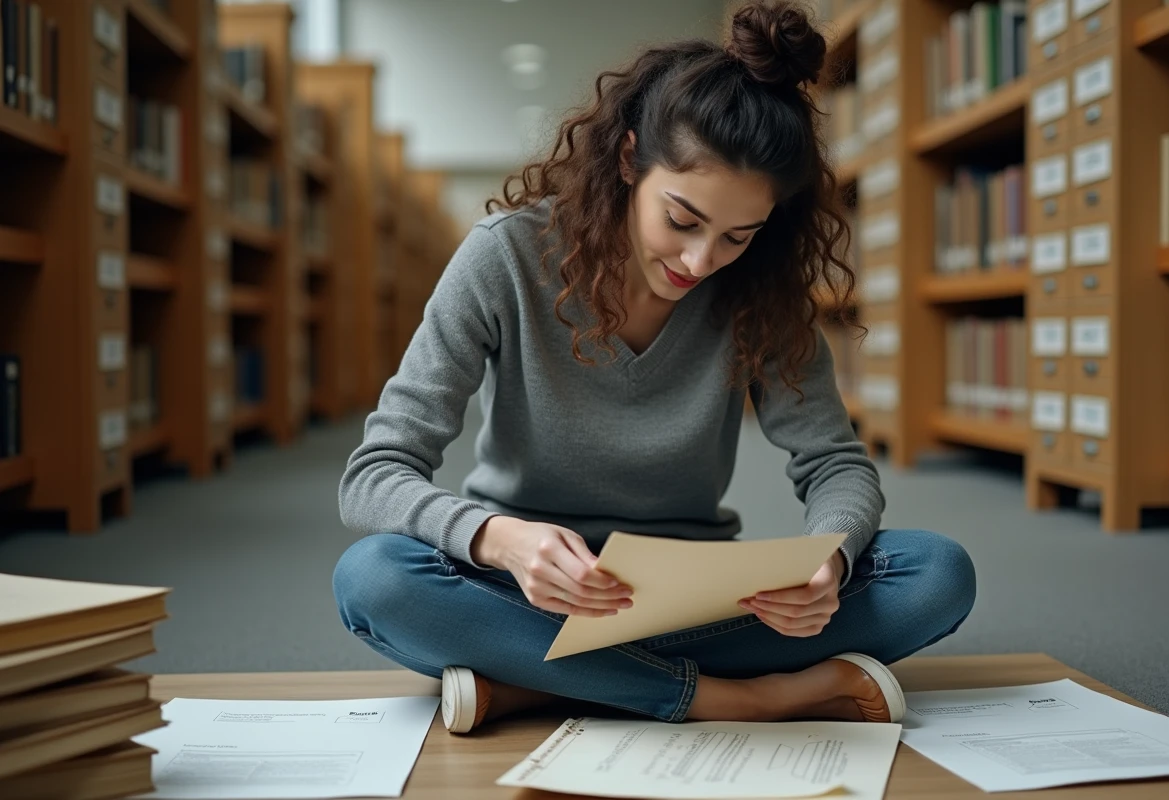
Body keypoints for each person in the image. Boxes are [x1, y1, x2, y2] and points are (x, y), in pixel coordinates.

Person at [333, 0, 976, 735]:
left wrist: (827, 555)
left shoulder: (760, 289)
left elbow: (836, 464)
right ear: (629, 158)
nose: (701, 262)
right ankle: (735, 697)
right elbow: (374, 475)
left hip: (693, 601)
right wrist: (499, 539)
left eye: (739, 234)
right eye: (683, 219)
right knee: (374, 578)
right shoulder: (505, 257)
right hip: (522, 589)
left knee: (936, 573)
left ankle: (536, 683)